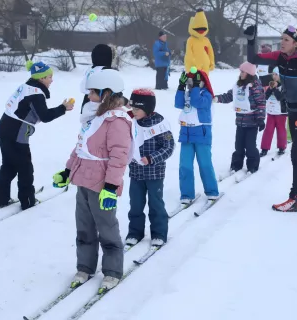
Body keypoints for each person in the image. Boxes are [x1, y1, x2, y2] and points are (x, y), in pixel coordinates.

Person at [53, 69, 131, 293]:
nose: (89, 97)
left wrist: (110, 186)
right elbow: (81, 147)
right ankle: (85, 267)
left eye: (92, 93)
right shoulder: (95, 117)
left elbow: (119, 156)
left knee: (107, 229)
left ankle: (112, 271)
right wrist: (67, 172)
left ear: (106, 93)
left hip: (102, 183)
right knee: (84, 228)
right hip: (83, 181)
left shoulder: (117, 120)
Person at [244, 24, 297, 211]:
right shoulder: (279, 57)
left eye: (286, 40)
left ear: (296, 44)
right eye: (281, 38)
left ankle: (294, 199)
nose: (281, 43)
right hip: (292, 111)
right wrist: (251, 41)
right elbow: (253, 58)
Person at [0, 61, 74, 211]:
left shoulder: (27, 86)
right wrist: (63, 108)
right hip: (16, 133)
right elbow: (45, 116)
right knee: (25, 167)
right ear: (41, 78)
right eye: (49, 77)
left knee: (9, 164)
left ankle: (1, 198)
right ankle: (28, 200)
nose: (52, 80)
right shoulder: (36, 94)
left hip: (5, 128)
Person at [125, 89, 175, 249]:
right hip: (136, 172)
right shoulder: (130, 121)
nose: (133, 112)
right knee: (135, 204)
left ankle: (159, 233)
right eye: (132, 108)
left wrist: (152, 158)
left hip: (154, 173)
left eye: (137, 109)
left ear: (147, 108)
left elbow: (169, 146)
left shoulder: (160, 124)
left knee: (156, 203)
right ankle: (135, 232)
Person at [175, 68, 219, 204]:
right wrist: (181, 87)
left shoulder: (207, 95)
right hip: (186, 134)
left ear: (201, 81)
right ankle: (186, 194)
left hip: (202, 133)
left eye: (192, 81)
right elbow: (178, 104)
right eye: (188, 82)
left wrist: (195, 87)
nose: (190, 84)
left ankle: (212, 191)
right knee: (185, 165)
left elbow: (197, 102)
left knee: (205, 164)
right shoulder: (188, 93)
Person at [213, 62, 266, 174]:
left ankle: (253, 165)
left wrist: (261, 119)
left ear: (249, 73)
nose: (240, 73)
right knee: (239, 145)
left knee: (250, 146)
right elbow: (229, 96)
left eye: (243, 72)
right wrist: (217, 98)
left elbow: (261, 103)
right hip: (240, 122)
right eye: (240, 71)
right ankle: (236, 165)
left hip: (252, 122)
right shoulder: (238, 86)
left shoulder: (255, 87)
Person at [260, 67, 288, 157]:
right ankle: (264, 148)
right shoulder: (271, 84)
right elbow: (266, 96)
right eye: (273, 74)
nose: (274, 76)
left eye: (276, 74)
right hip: (271, 111)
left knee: (281, 130)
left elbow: (280, 97)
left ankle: (281, 147)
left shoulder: (285, 85)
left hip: (281, 112)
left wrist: (275, 89)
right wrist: (270, 88)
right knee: (268, 130)